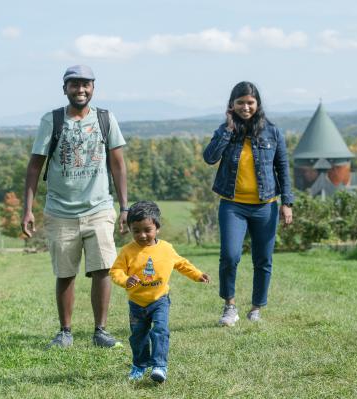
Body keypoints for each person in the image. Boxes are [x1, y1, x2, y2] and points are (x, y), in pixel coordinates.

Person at [22, 65, 128, 348]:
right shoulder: (52, 120)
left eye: (86, 84)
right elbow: (34, 168)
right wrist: (28, 209)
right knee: (65, 272)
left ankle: (100, 331)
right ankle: (65, 332)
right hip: (60, 211)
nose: (80, 90)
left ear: (93, 87)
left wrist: (125, 206)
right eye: (74, 85)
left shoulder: (106, 119)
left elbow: (118, 165)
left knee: (103, 268)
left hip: (99, 207)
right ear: (65, 88)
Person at [203, 81, 293, 326]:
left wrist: (287, 202)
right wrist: (228, 130)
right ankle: (229, 307)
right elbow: (210, 157)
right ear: (232, 105)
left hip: (266, 206)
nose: (245, 107)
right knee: (230, 256)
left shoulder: (272, 132)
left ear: (258, 104)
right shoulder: (225, 130)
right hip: (233, 205)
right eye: (240, 102)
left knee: (263, 259)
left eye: (250, 102)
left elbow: (282, 168)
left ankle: (256, 308)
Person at [109, 201, 210, 383]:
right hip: (137, 303)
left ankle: (159, 366)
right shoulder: (127, 251)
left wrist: (197, 275)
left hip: (159, 300)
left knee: (160, 331)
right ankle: (139, 365)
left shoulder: (166, 249)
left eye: (147, 229)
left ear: (157, 228)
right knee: (138, 337)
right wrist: (126, 280)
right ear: (130, 229)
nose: (142, 235)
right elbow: (115, 271)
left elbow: (181, 264)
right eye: (136, 230)